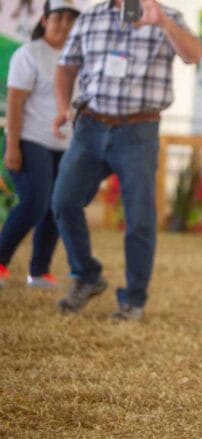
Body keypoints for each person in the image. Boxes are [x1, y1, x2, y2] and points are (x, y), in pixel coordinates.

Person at [51, 0, 202, 321]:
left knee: (139, 220)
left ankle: (133, 300)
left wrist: (163, 24)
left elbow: (194, 55)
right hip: (89, 126)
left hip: (138, 131)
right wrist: (63, 107)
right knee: (63, 202)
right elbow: (66, 66)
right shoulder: (90, 16)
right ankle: (87, 276)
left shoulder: (169, 17)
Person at [0, 0, 81, 290]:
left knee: (57, 206)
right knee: (34, 201)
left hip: (68, 146)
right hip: (30, 139)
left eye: (71, 19)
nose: (64, 24)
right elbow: (15, 102)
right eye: (57, 17)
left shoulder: (80, 57)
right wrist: (12, 146)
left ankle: (39, 272)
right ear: (44, 20)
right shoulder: (29, 54)